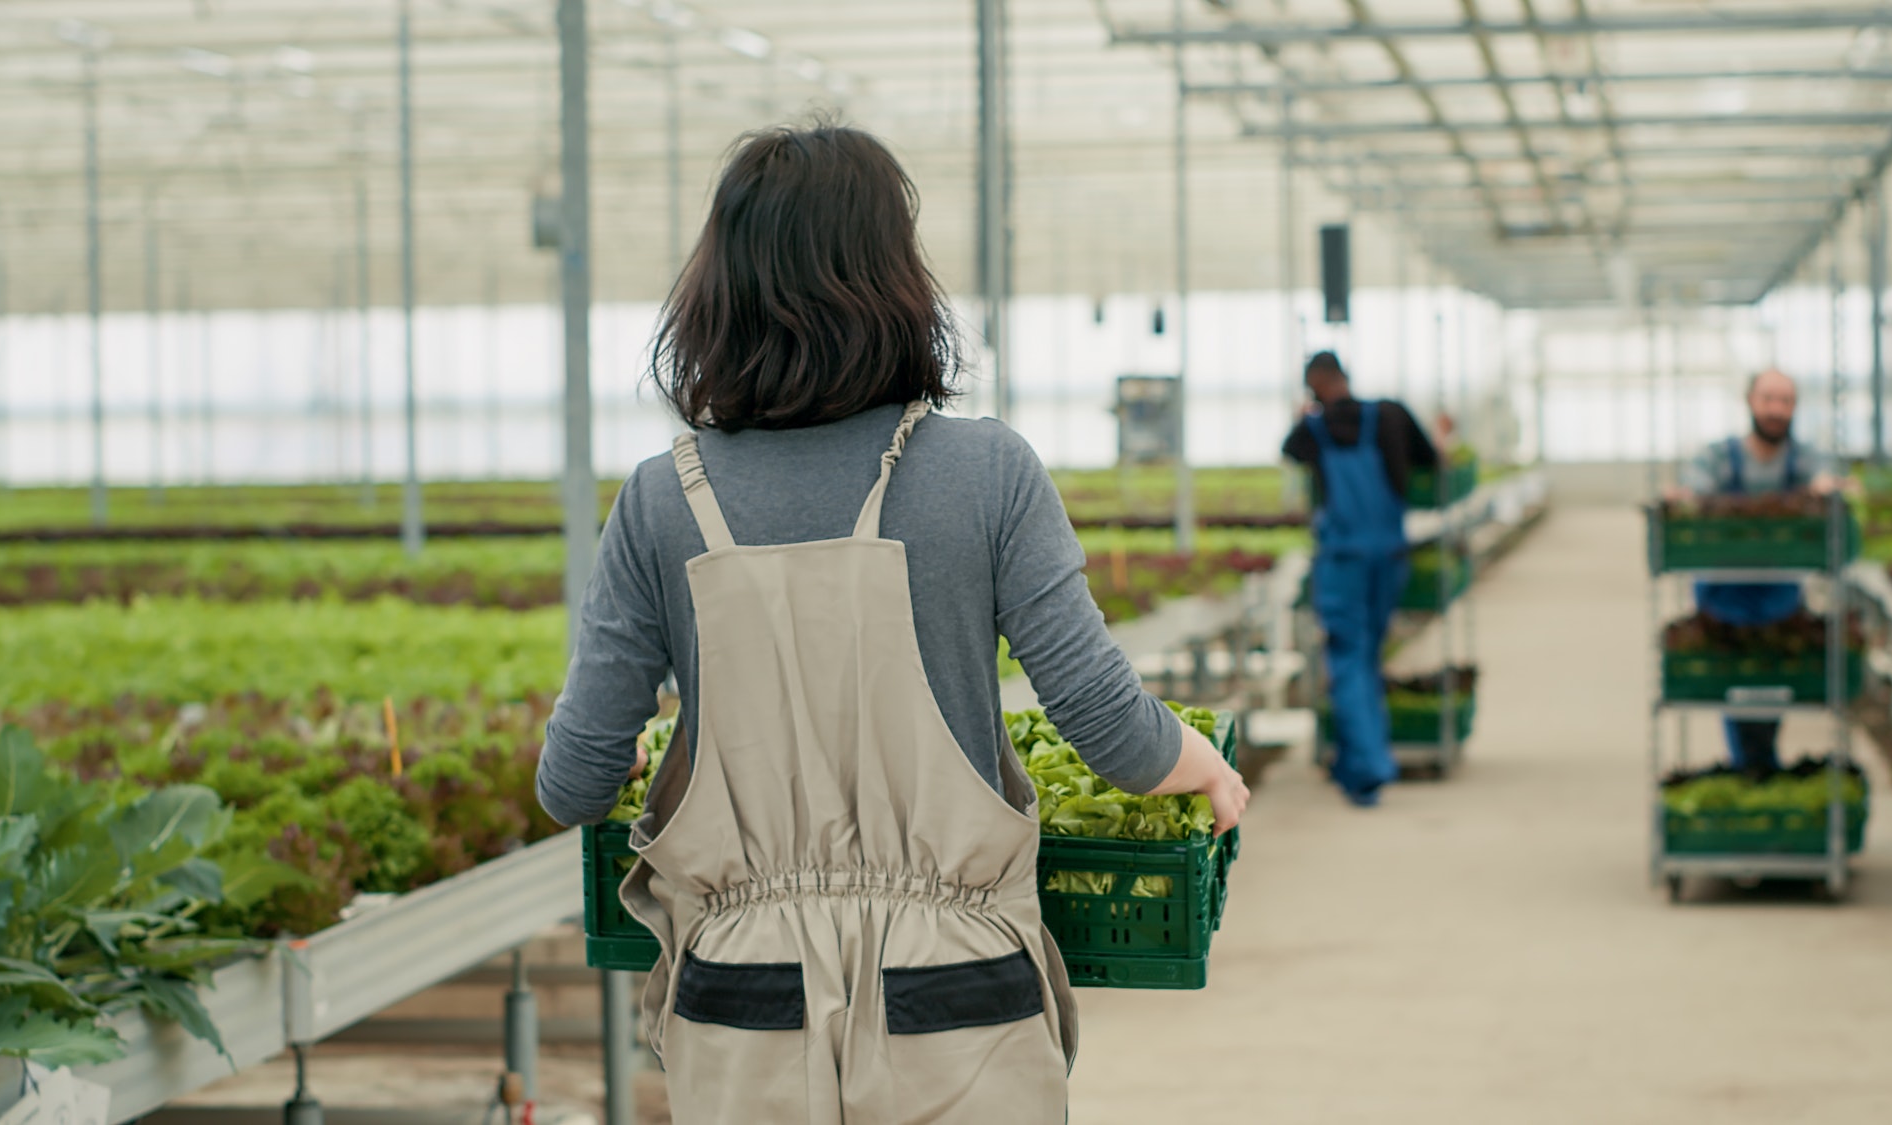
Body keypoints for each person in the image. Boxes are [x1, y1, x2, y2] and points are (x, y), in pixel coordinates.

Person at [535, 123, 1247, 1124]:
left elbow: (571, 787)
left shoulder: (660, 502)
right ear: (894, 279)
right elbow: (1112, 731)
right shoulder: (986, 473)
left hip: (742, 1008)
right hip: (956, 1005)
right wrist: (1206, 770)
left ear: (716, 290)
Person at [1283, 352, 1439, 808]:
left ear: (1313, 386)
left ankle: (1368, 767)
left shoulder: (1311, 431)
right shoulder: (1390, 414)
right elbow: (1429, 460)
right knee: (1366, 656)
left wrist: (1306, 415)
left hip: (1343, 562)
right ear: (1345, 377)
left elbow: (1288, 451)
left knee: (1348, 659)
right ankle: (1356, 761)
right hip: (1388, 556)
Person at [1667, 368, 1842, 775]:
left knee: (1769, 679)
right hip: (1723, 595)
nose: (1776, 409)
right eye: (1769, 399)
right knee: (1732, 680)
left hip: (1778, 595)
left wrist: (1828, 489)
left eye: (1785, 401)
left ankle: (1755, 764)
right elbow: (1694, 486)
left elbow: (1822, 480)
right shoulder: (1718, 457)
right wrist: (1685, 498)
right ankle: (1752, 764)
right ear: (1750, 402)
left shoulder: (1803, 458)